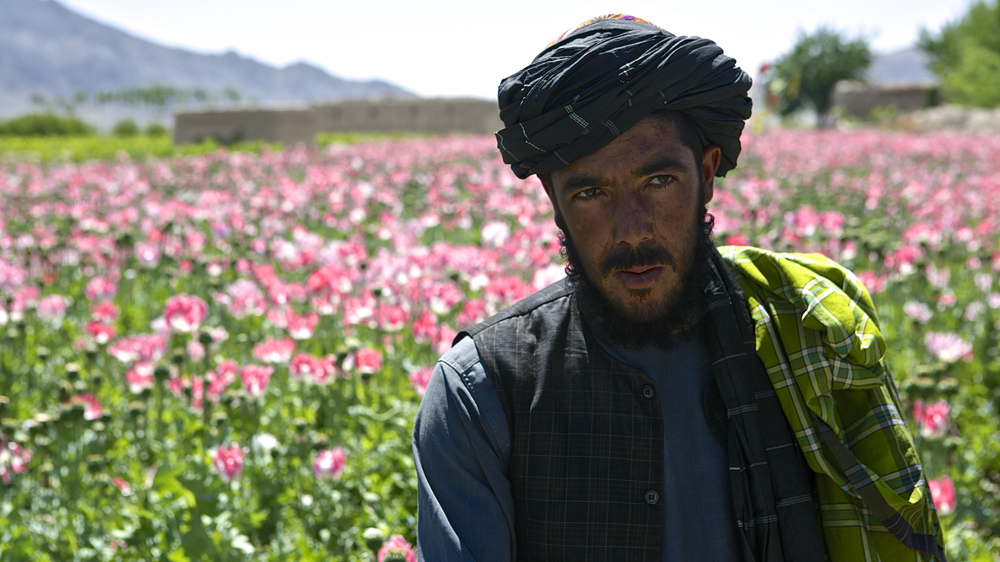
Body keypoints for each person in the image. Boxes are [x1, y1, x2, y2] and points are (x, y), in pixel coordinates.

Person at [412, 14, 946, 562]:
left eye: (659, 182)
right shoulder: (481, 392)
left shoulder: (806, 338)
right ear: (553, 201)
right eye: (591, 193)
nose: (632, 229)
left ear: (708, 174)